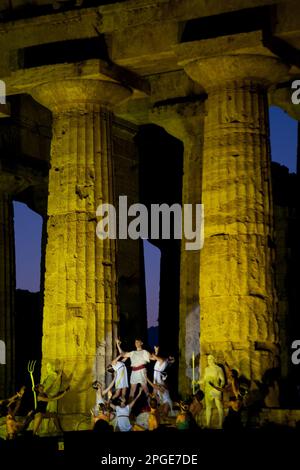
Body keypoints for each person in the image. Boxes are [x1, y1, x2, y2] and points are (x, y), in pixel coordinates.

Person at [201, 354, 225, 428]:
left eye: (210, 359)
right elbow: (204, 380)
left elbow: (223, 380)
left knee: (219, 406)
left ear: (214, 359)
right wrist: (196, 382)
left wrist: (220, 388)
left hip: (216, 389)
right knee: (208, 407)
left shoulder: (218, 369)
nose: (209, 360)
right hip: (208, 389)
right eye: (208, 359)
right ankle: (208, 424)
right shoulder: (206, 369)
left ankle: (220, 424)